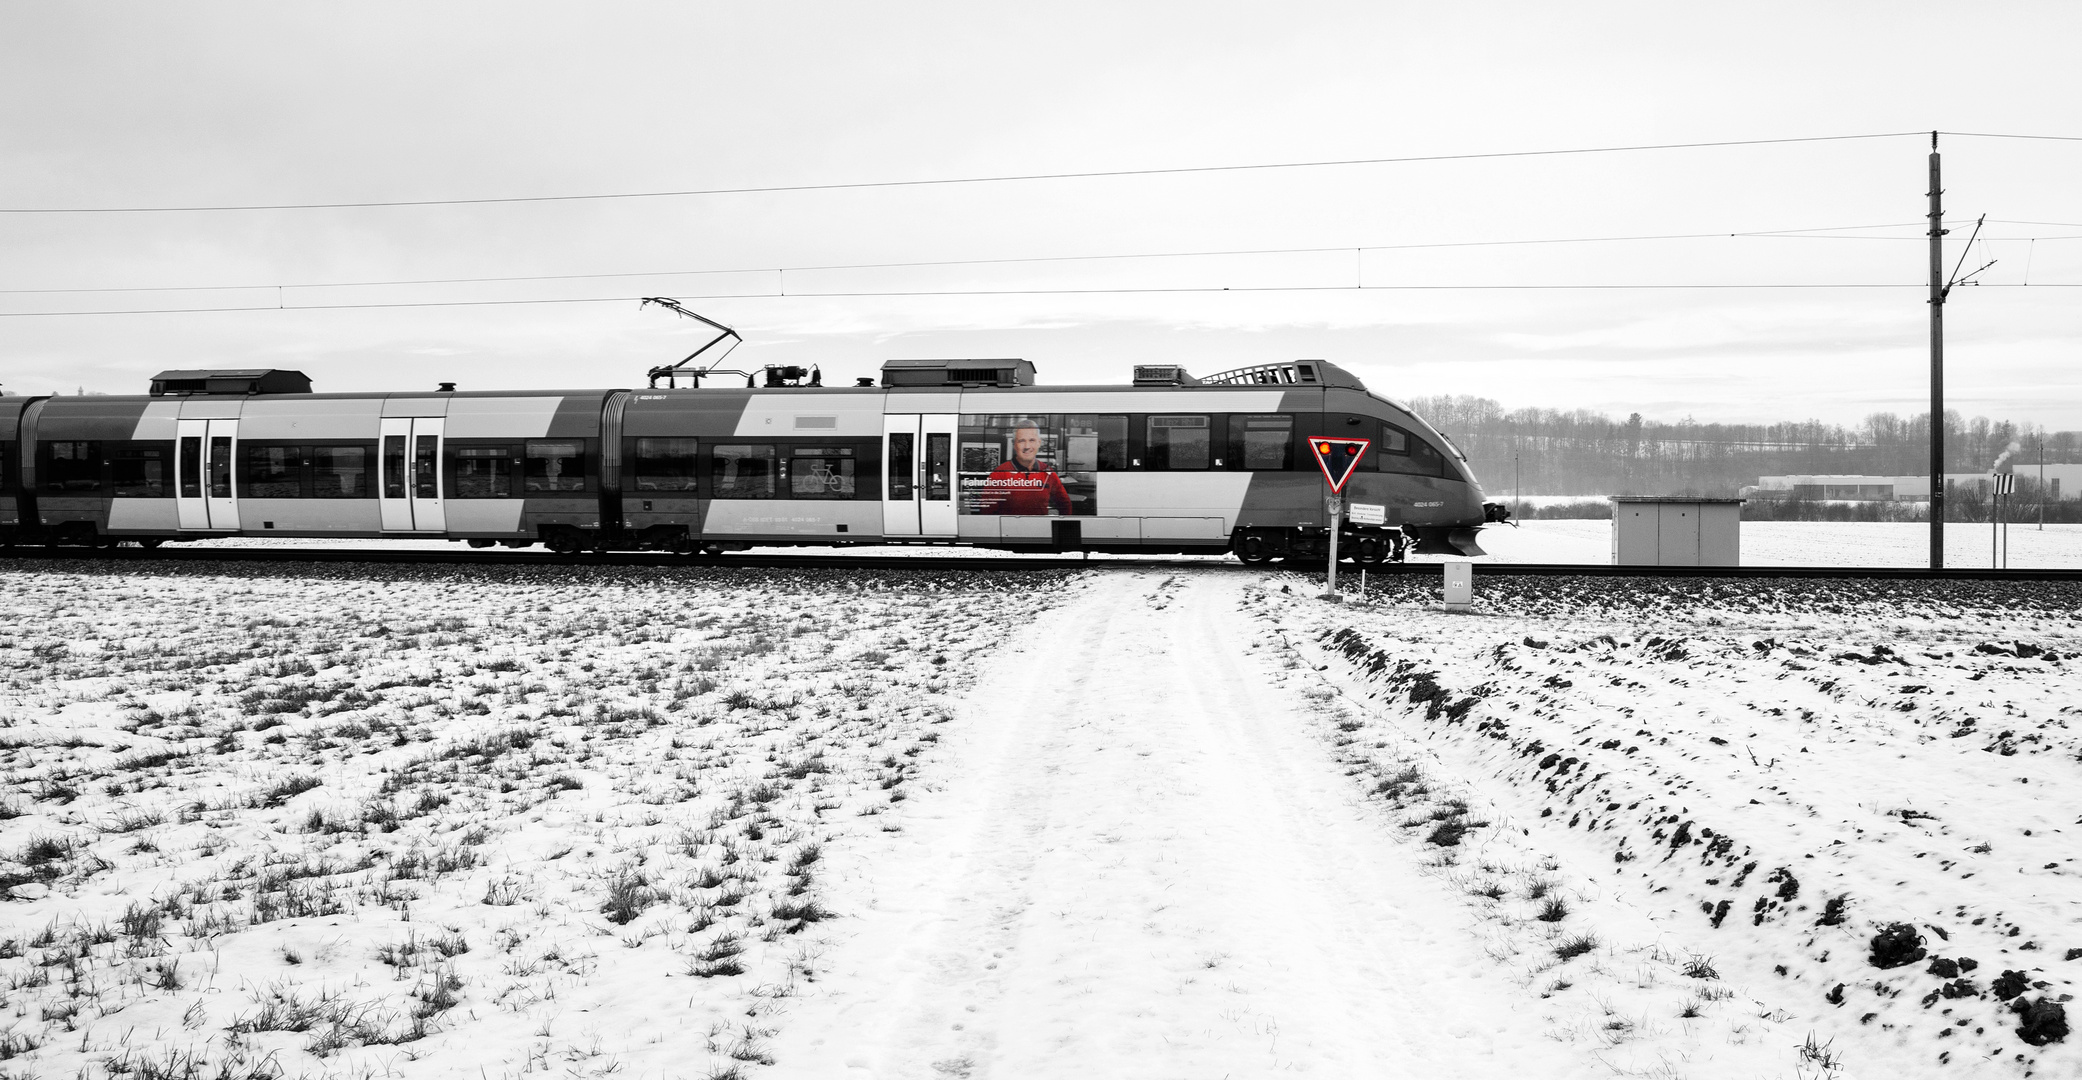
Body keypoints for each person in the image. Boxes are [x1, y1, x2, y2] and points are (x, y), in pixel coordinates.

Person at [981, 421, 1073, 515]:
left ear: (1039, 443)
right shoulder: (999, 474)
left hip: (1039, 528)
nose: (1027, 446)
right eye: (1021, 441)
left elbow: (1065, 504)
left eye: (1032, 440)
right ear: (1014, 444)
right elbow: (987, 512)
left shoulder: (1048, 472)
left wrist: (1060, 528)